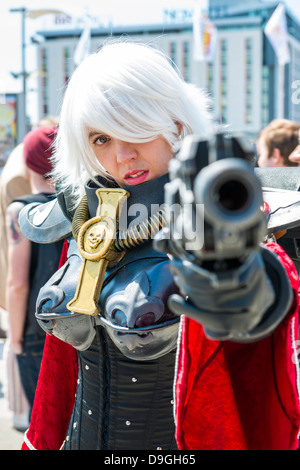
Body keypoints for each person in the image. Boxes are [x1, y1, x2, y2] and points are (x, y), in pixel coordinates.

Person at [20, 41, 300, 451]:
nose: (122, 154)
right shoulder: (87, 216)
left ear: (175, 120)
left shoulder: (229, 206)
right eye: (100, 138)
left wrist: (251, 289)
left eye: (136, 127)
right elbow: (57, 377)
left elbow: (267, 295)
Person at [5, 125, 64, 418]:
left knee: (44, 423)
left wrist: (15, 339)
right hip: (74, 326)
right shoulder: (80, 206)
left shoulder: (20, 211)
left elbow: (17, 284)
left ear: (28, 163)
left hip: (35, 331)